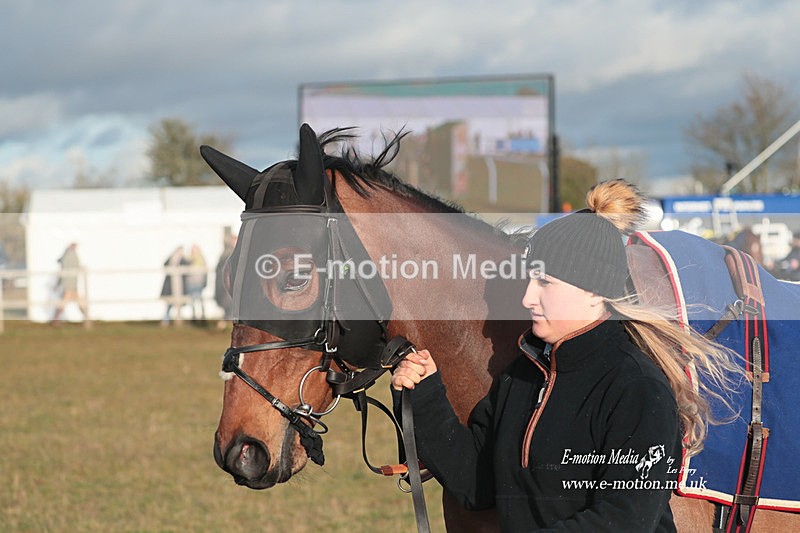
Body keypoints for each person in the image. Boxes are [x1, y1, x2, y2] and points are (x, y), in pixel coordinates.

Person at [391, 180, 740, 532]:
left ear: (593, 289)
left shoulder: (636, 388)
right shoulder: (523, 376)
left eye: (545, 282)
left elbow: (623, 521)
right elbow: (475, 483)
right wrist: (423, 393)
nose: (528, 298)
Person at [51, 242, 88, 324]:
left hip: (71, 286)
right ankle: (55, 320)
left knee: (78, 302)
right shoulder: (70, 257)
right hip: (69, 286)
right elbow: (65, 272)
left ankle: (87, 319)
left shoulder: (68, 256)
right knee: (64, 303)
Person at [161, 246, 188, 326]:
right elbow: (165, 265)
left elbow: (187, 266)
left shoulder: (183, 260)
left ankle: (178, 320)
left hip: (179, 287)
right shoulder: (170, 260)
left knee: (179, 304)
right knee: (169, 304)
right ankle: (165, 320)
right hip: (170, 287)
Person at [214, 234, 237, 329]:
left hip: (226, 283)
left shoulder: (227, 252)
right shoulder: (229, 253)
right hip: (227, 284)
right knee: (229, 304)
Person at [185, 244, 208, 321]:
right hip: (191, 283)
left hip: (198, 283)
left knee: (200, 299)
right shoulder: (189, 259)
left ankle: (203, 316)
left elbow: (205, 272)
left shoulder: (201, 259)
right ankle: (194, 316)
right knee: (192, 300)